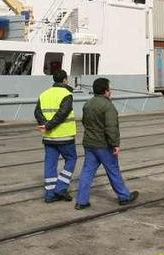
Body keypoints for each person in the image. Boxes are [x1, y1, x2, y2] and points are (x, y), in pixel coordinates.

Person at [74, 78, 139, 209]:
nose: (111, 91)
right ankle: (124, 197)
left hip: (89, 143)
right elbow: (111, 127)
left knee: (87, 171)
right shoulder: (108, 106)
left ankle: (81, 201)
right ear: (105, 91)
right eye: (110, 88)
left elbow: (85, 123)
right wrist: (115, 144)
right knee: (113, 170)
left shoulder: (88, 104)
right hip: (104, 145)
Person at [34, 69, 78, 202]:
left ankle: (49, 194)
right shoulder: (67, 94)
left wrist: (45, 125)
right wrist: (49, 125)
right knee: (71, 159)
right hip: (65, 136)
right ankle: (60, 188)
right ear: (65, 80)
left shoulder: (44, 94)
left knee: (50, 164)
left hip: (48, 137)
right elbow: (62, 113)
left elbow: (37, 112)